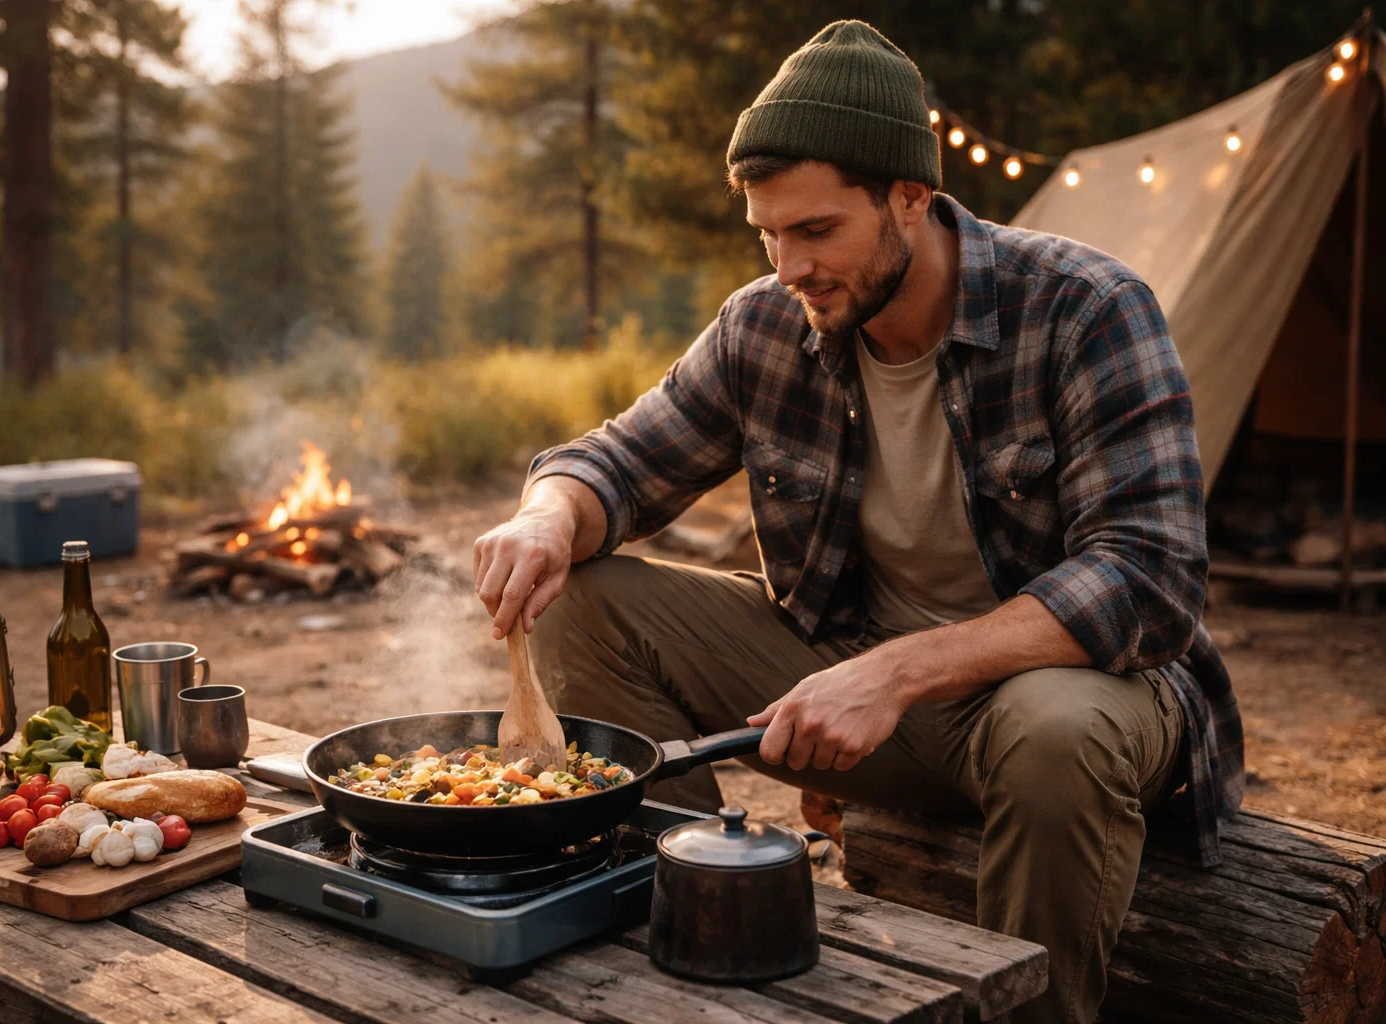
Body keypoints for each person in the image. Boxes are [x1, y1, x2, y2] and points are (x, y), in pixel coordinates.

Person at [471, 19, 1243, 1024]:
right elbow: (615, 461)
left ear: (911, 198)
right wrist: (545, 518)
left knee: (1055, 727)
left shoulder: (1087, 309)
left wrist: (900, 669)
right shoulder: (766, 324)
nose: (788, 263)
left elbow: (1154, 578)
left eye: (816, 230)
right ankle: (692, 932)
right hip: (859, 680)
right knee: (586, 593)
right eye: (769, 233)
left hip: (1068, 701)